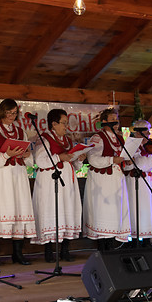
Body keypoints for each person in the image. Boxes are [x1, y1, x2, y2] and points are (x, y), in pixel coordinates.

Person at [0, 98, 36, 265]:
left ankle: (17, 253)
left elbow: (29, 157)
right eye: (9, 112)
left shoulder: (20, 131)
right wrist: (6, 154)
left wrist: (27, 154)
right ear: (2, 112)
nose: (12, 116)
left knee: (18, 209)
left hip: (17, 175)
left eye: (14, 113)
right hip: (0, 176)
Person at [31, 109, 85, 262]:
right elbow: (40, 161)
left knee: (67, 210)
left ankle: (65, 250)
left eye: (67, 123)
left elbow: (74, 165)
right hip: (50, 183)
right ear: (53, 124)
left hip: (67, 183)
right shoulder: (44, 139)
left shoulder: (67, 140)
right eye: (64, 123)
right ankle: (48, 251)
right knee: (51, 211)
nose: (66, 126)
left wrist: (79, 159)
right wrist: (59, 157)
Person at [83, 107, 131, 250]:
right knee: (103, 211)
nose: (116, 122)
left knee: (115, 212)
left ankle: (110, 245)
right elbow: (93, 158)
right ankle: (102, 247)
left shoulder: (120, 138)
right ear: (104, 122)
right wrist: (112, 159)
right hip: (102, 181)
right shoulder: (97, 138)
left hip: (116, 181)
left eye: (117, 119)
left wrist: (127, 161)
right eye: (112, 119)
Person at [123, 120, 152, 247]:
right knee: (137, 210)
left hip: (147, 182)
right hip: (135, 182)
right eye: (147, 131)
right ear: (139, 132)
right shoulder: (131, 145)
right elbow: (140, 163)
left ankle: (147, 241)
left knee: (147, 210)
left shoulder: (146, 147)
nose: (149, 134)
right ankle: (134, 241)